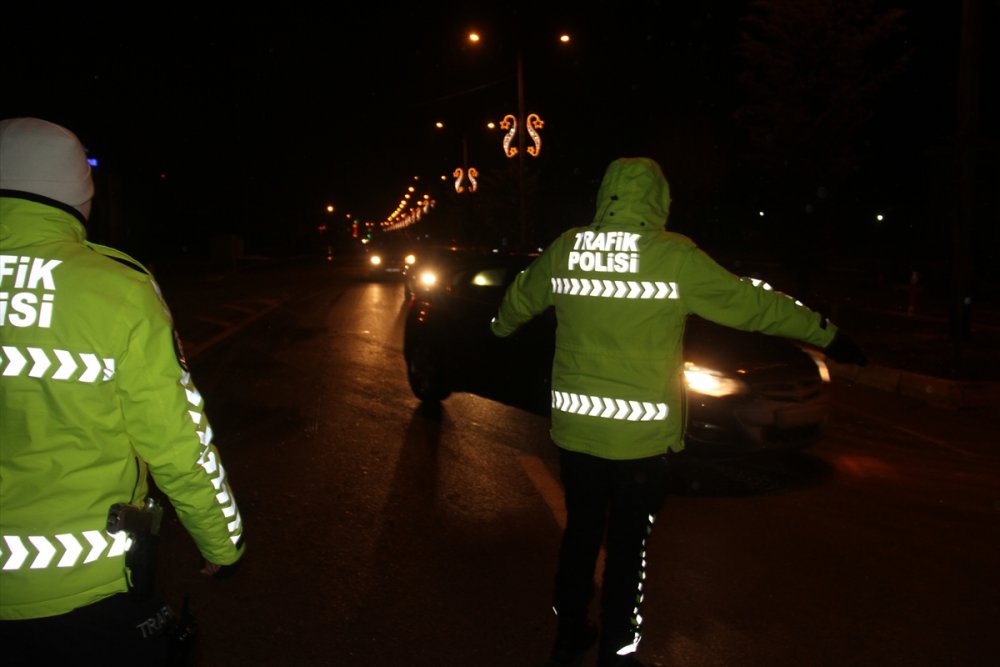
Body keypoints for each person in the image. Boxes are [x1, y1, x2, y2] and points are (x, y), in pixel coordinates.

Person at [490, 157, 867, 667]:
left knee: (580, 535)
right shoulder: (674, 257)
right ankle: (617, 653)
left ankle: (569, 634)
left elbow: (519, 297)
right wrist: (828, 335)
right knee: (628, 550)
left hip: (579, 434)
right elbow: (752, 304)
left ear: (605, 195)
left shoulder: (567, 249)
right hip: (641, 445)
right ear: (659, 200)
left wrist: (498, 326)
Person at [0, 117, 246, 664]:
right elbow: (178, 443)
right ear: (79, 198)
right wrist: (222, 544)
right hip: (85, 594)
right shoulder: (117, 289)